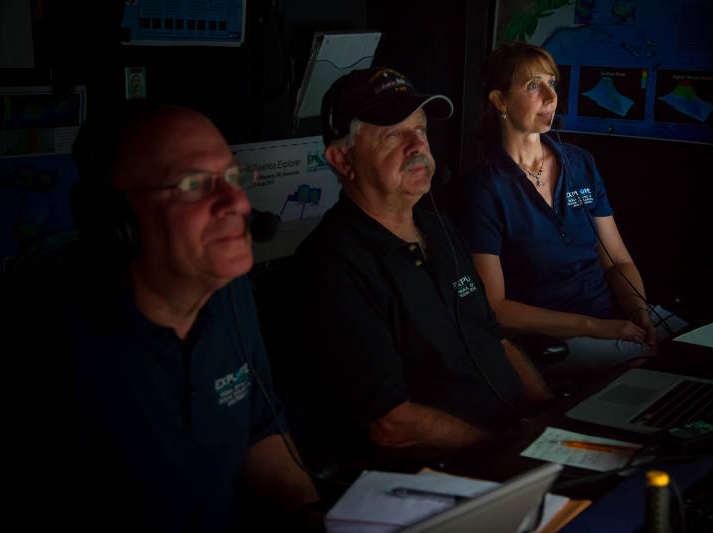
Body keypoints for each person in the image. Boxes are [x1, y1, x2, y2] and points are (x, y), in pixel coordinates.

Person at [12, 103, 325, 531]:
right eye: (195, 185)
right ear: (115, 223)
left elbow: (261, 430)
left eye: (233, 178)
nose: (236, 202)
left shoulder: (228, 288)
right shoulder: (39, 351)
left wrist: (312, 517)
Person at [276, 68, 553, 479]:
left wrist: (554, 416)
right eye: (393, 135)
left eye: (420, 129)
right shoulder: (331, 267)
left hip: (518, 443)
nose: (417, 146)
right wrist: (506, 449)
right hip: (444, 472)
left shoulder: (439, 227)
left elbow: (495, 337)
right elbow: (392, 424)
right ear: (342, 159)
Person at [459, 42, 684, 381]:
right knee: (658, 372)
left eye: (552, 83)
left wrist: (640, 315)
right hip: (557, 337)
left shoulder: (579, 163)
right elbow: (496, 306)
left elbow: (617, 260)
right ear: (500, 100)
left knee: (695, 349)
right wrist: (597, 328)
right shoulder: (484, 188)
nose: (551, 97)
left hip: (614, 317)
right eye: (534, 85)